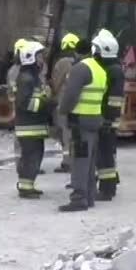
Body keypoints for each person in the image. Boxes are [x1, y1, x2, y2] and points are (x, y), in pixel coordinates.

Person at [58, 30, 110, 212]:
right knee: (89, 159)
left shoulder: (80, 69)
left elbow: (70, 95)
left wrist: (62, 111)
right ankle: (89, 196)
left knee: (80, 159)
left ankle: (78, 198)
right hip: (95, 119)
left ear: (76, 52)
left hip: (80, 120)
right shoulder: (100, 70)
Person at [13, 40, 50, 199]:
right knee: (30, 156)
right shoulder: (26, 78)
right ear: (30, 58)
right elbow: (25, 103)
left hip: (34, 126)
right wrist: (45, 100)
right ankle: (25, 188)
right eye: (39, 56)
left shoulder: (32, 77)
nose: (42, 60)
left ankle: (28, 185)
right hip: (28, 127)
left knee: (35, 155)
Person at [95, 31, 125, 201]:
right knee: (107, 152)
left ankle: (107, 189)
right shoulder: (113, 68)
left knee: (105, 153)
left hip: (107, 119)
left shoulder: (113, 71)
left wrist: (108, 120)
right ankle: (111, 182)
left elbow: (114, 99)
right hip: (107, 118)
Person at [50, 33, 81, 172]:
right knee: (73, 133)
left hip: (63, 103)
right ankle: (76, 160)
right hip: (77, 103)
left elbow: (56, 84)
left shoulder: (62, 63)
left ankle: (67, 162)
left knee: (65, 133)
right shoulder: (81, 62)